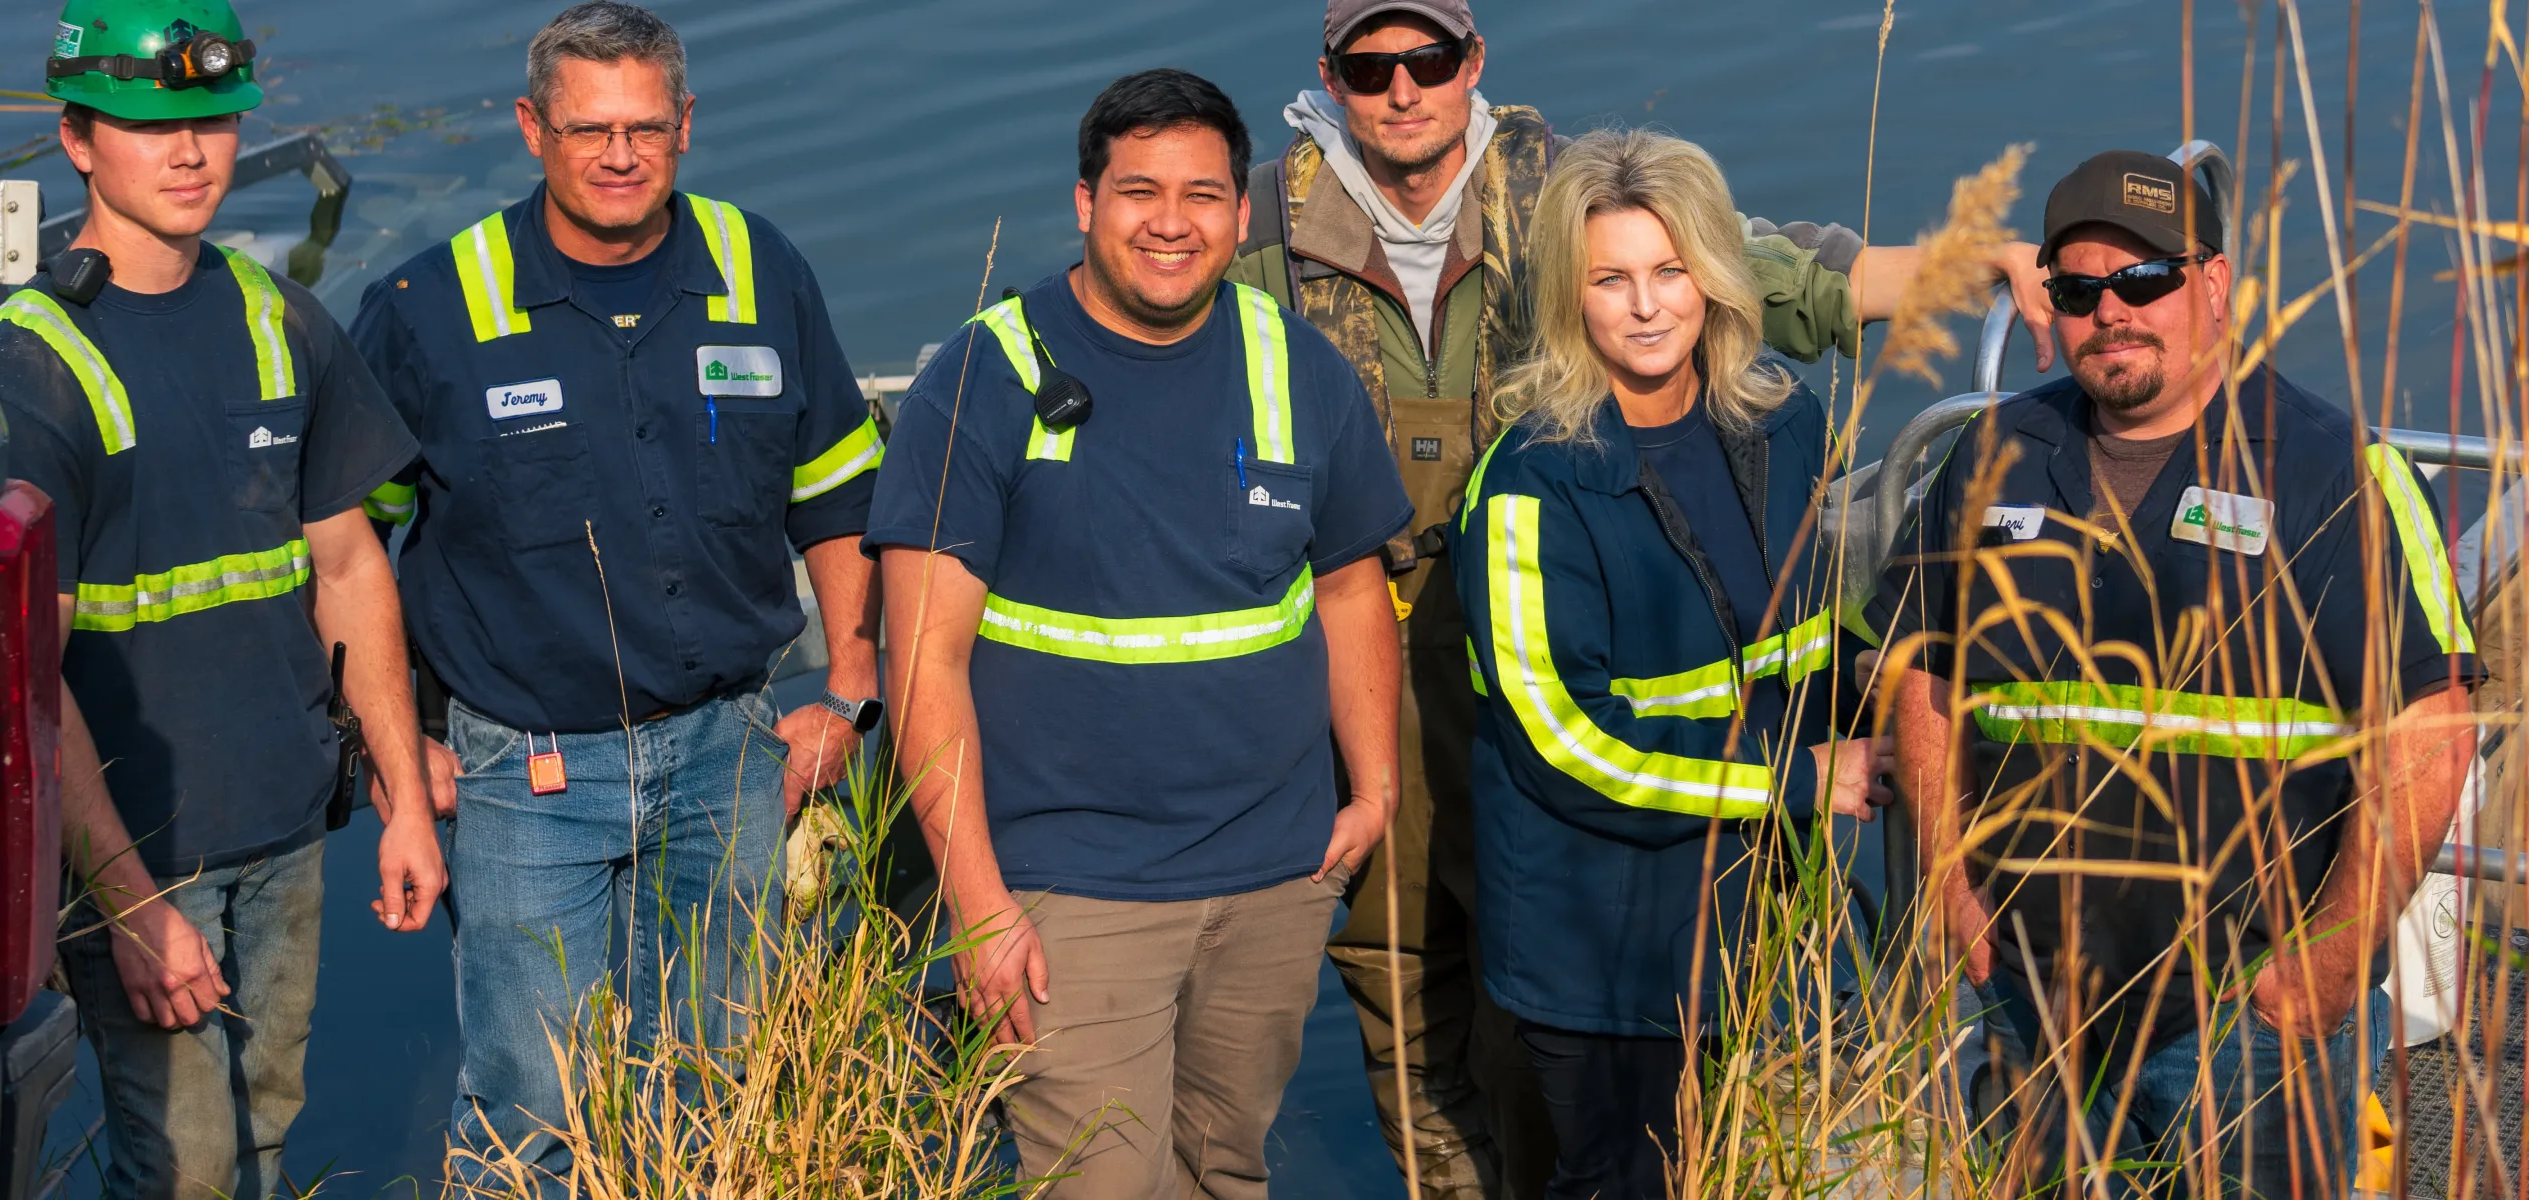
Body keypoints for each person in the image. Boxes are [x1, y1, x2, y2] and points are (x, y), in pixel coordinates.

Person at [1226, 3, 2056, 1192]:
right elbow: (1144, 319)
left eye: (1431, 59)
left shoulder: (1563, 189)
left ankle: (1547, 1163)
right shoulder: (1254, 219)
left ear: (1474, 64)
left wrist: (1981, 259)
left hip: (1536, 617)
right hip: (1350, 644)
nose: (1402, 89)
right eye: (1371, 66)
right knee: (1397, 961)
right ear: (1331, 78)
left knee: (1536, 973)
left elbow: (1760, 271)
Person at [1870, 150, 2481, 1198]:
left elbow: (2430, 733)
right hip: (2031, 1002)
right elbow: (1924, 677)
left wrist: (2326, 967)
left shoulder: (2340, 475)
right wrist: (1952, 898)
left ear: (2212, 283)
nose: (2111, 312)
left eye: (2144, 280)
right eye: (2077, 290)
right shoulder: (1992, 454)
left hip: (2243, 1021)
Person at [347, 2, 884, 1189]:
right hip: (524, 775)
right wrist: (391, 757)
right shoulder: (426, 311)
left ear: (687, 125)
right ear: (532, 129)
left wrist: (848, 695)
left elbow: (839, 498)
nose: (620, 154)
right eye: (589, 129)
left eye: (647, 126)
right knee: (528, 1104)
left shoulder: (762, 269)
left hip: (734, 755)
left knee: (718, 1078)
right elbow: (343, 565)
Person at [868, 69, 1412, 1198]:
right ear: (1084, 203)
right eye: (1138, 192)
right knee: (1101, 1183)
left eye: (1204, 194)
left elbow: (1352, 587)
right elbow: (924, 659)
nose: (1172, 224)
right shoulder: (987, 376)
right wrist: (977, 905)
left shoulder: (1298, 367)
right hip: (1068, 886)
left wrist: (1372, 794)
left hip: (1273, 873)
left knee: (1225, 1169)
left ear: (1240, 211)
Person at [0, 1, 445, 1195]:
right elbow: (22, 676)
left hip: (283, 820)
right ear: (78, 142)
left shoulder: (278, 314)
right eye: (148, 126)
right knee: (181, 1168)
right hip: (142, 852)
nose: (189, 152)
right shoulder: (30, 365)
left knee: (263, 1135)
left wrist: (403, 798)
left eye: (212, 121)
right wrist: (128, 908)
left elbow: (347, 569)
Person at [1452, 129, 1887, 1199]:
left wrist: (1889, 682)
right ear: (1571, 295)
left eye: (1670, 270)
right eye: (1611, 279)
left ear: (1714, 276)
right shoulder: (1528, 487)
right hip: (1601, 947)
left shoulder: (1781, 421)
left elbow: (1807, 624)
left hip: (1758, 917)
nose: (1647, 306)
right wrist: (1793, 782)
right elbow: (1564, 744)